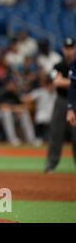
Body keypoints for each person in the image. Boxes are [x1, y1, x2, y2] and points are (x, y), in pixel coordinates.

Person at [46, 38, 76, 172]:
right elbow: (55, 83)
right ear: (63, 49)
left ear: (74, 49)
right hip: (61, 101)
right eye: (66, 48)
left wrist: (63, 81)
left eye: (71, 48)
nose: (69, 51)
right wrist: (71, 82)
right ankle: (50, 165)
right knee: (56, 133)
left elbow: (61, 82)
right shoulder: (58, 66)